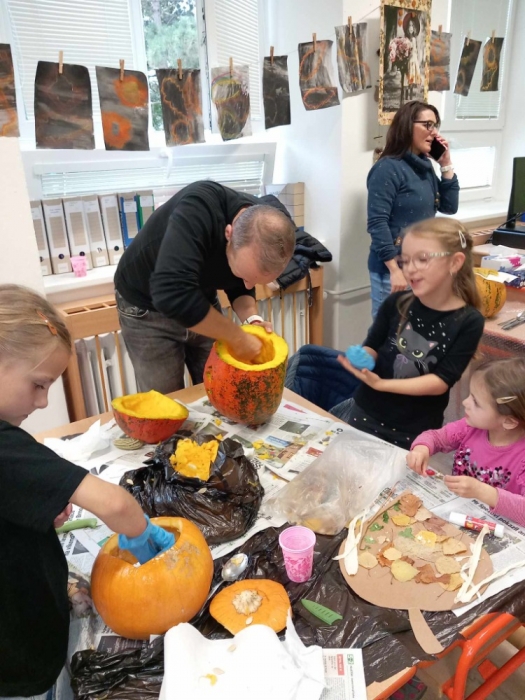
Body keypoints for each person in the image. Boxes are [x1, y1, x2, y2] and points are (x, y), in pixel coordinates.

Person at [0, 284, 174, 698]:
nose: (43, 402)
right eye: (38, 384)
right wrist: (143, 534)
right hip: (22, 656)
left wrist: (37, 507)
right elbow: (115, 503)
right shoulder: (5, 448)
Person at [114, 180, 296, 394]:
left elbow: (240, 285)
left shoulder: (265, 226)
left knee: (222, 390)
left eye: (255, 281)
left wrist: (251, 320)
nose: (248, 284)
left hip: (199, 299)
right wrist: (237, 337)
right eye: (244, 276)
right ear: (228, 234)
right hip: (147, 305)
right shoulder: (197, 210)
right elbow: (172, 295)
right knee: (167, 399)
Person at [333, 217, 484, 447]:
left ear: (455, 263)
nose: (410, 269)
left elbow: (440, 381)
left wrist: (381, 384)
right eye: (404, 260)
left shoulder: (469, 322)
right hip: (367, 411)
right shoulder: (395, 302)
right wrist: (363, 358)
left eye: (422, 259)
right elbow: (373, 344)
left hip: (414, 428)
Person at [367, 100, 459, 318]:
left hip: (421, 267)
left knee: (414, 332)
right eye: (427, 125)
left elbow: (449, 207)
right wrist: (394, 270)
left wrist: (445, 164)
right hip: (393, 270)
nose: (434, 132)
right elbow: (377, 223)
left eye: (435, 125)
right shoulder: (387, 169)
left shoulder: (424, 167)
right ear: (407, 126)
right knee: (389, 332)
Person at [407, 358, 525, 528]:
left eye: (476, 402)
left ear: (509, 421)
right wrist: (421, 448)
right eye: (470, 395)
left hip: (496, 527)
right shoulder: (469, 427)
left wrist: (482, 491)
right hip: (455, 512)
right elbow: (436, 437)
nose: (465, 402)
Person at [403, 12, 422, 100]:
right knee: (407, 77)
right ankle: (406, 95)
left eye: (412, 27)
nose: (410, 28)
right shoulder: (406, 39)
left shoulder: (414, 39)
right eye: (409, 27)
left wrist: (416, 58)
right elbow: (405, 49)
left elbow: (416, 49)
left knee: (412, 77)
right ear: (407, 29)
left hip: (413, 58)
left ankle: (410, 95)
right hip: (408, 59)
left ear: (414, 28)